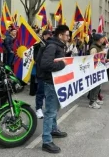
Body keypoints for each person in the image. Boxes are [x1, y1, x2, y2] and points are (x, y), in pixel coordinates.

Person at [39, 25, 69, 154]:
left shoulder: (58, 46)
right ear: (60, 35)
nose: (68, 37)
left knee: (55, 108)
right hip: (50, 83)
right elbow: (45, 64)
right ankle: (46, 141)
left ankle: (53, 129)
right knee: (50, 111)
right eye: (67, 35)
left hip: (57, 82)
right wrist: (63, 64)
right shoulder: (52, 46)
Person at [34, 30, 52, 119]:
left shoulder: (51, 46)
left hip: (49, 73)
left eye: (50, 36)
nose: (49, 38)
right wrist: (42, 49)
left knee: (48, 92)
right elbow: (36, 59)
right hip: (41, 72)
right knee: (40, 91)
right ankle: (38, 108)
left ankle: (47, 108)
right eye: (47, 36)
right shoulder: (38, 46)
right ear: (44, 36)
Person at [88, 34, 106, 109]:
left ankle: (95, 99)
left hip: (99, 68)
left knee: (98, 86)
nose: (104, 39)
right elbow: (92, 58)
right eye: (102, 38)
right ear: (99, 39)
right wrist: (101, 53)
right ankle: (92, 102)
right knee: (95, 86)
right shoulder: (94, 48)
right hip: (94, 69)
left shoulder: (100, 46)